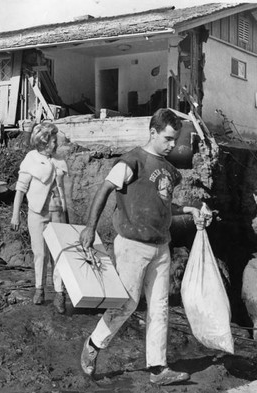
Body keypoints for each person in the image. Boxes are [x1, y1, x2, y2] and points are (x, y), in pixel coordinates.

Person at [79, 108, 205, 386]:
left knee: (159, 307)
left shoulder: (170, 171)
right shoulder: (132, 161)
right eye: (168, 139)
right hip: (132, 246)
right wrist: (90, 227)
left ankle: (158, 369)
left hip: (161, 245)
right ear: (152, 132)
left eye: (176, 139)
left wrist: (188, 209)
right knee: (127, 303)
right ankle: (94, 344)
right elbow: (105, 189)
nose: (173, 145)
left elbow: (162, 205)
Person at [11, 122, 69, 314]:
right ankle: (39, 289)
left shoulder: (59, 160)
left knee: (59, 255)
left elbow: (62, 190)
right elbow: (20, 189)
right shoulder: (31, 159)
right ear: (44, 142)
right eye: (53, 140)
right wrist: (15, 216)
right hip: (37, 213)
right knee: (40, 254)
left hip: (57, 213)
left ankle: (60, 294)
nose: (56, 144)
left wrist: (66, 211)